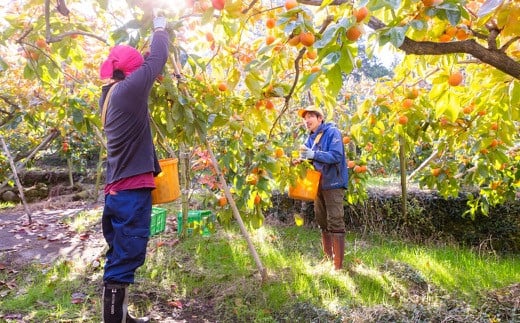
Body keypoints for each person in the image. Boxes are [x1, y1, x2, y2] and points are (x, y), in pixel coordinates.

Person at [98, 16, 169, 323]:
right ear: (130, 72)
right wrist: (160, 26)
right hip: (129, 190)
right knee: (126, 257)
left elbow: (143, 67)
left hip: (118, 189)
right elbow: (157, 59)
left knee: (121, 253)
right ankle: (113, 320)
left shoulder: (110, 95)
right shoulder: (128, 91)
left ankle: (122, 317)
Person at [298, 105, 349, 270]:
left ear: (320, 118)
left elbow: (336, 155)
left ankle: (338, 265)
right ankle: (327, 259)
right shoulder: (311, 138)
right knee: (321, 220)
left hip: (333, 183)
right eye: (305, 118)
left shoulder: (332, 132)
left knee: (335, 220)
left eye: (310, 116)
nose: (307, 121)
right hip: (317, 184)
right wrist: (300, 161)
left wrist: (314, 155)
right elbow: (308, 158)